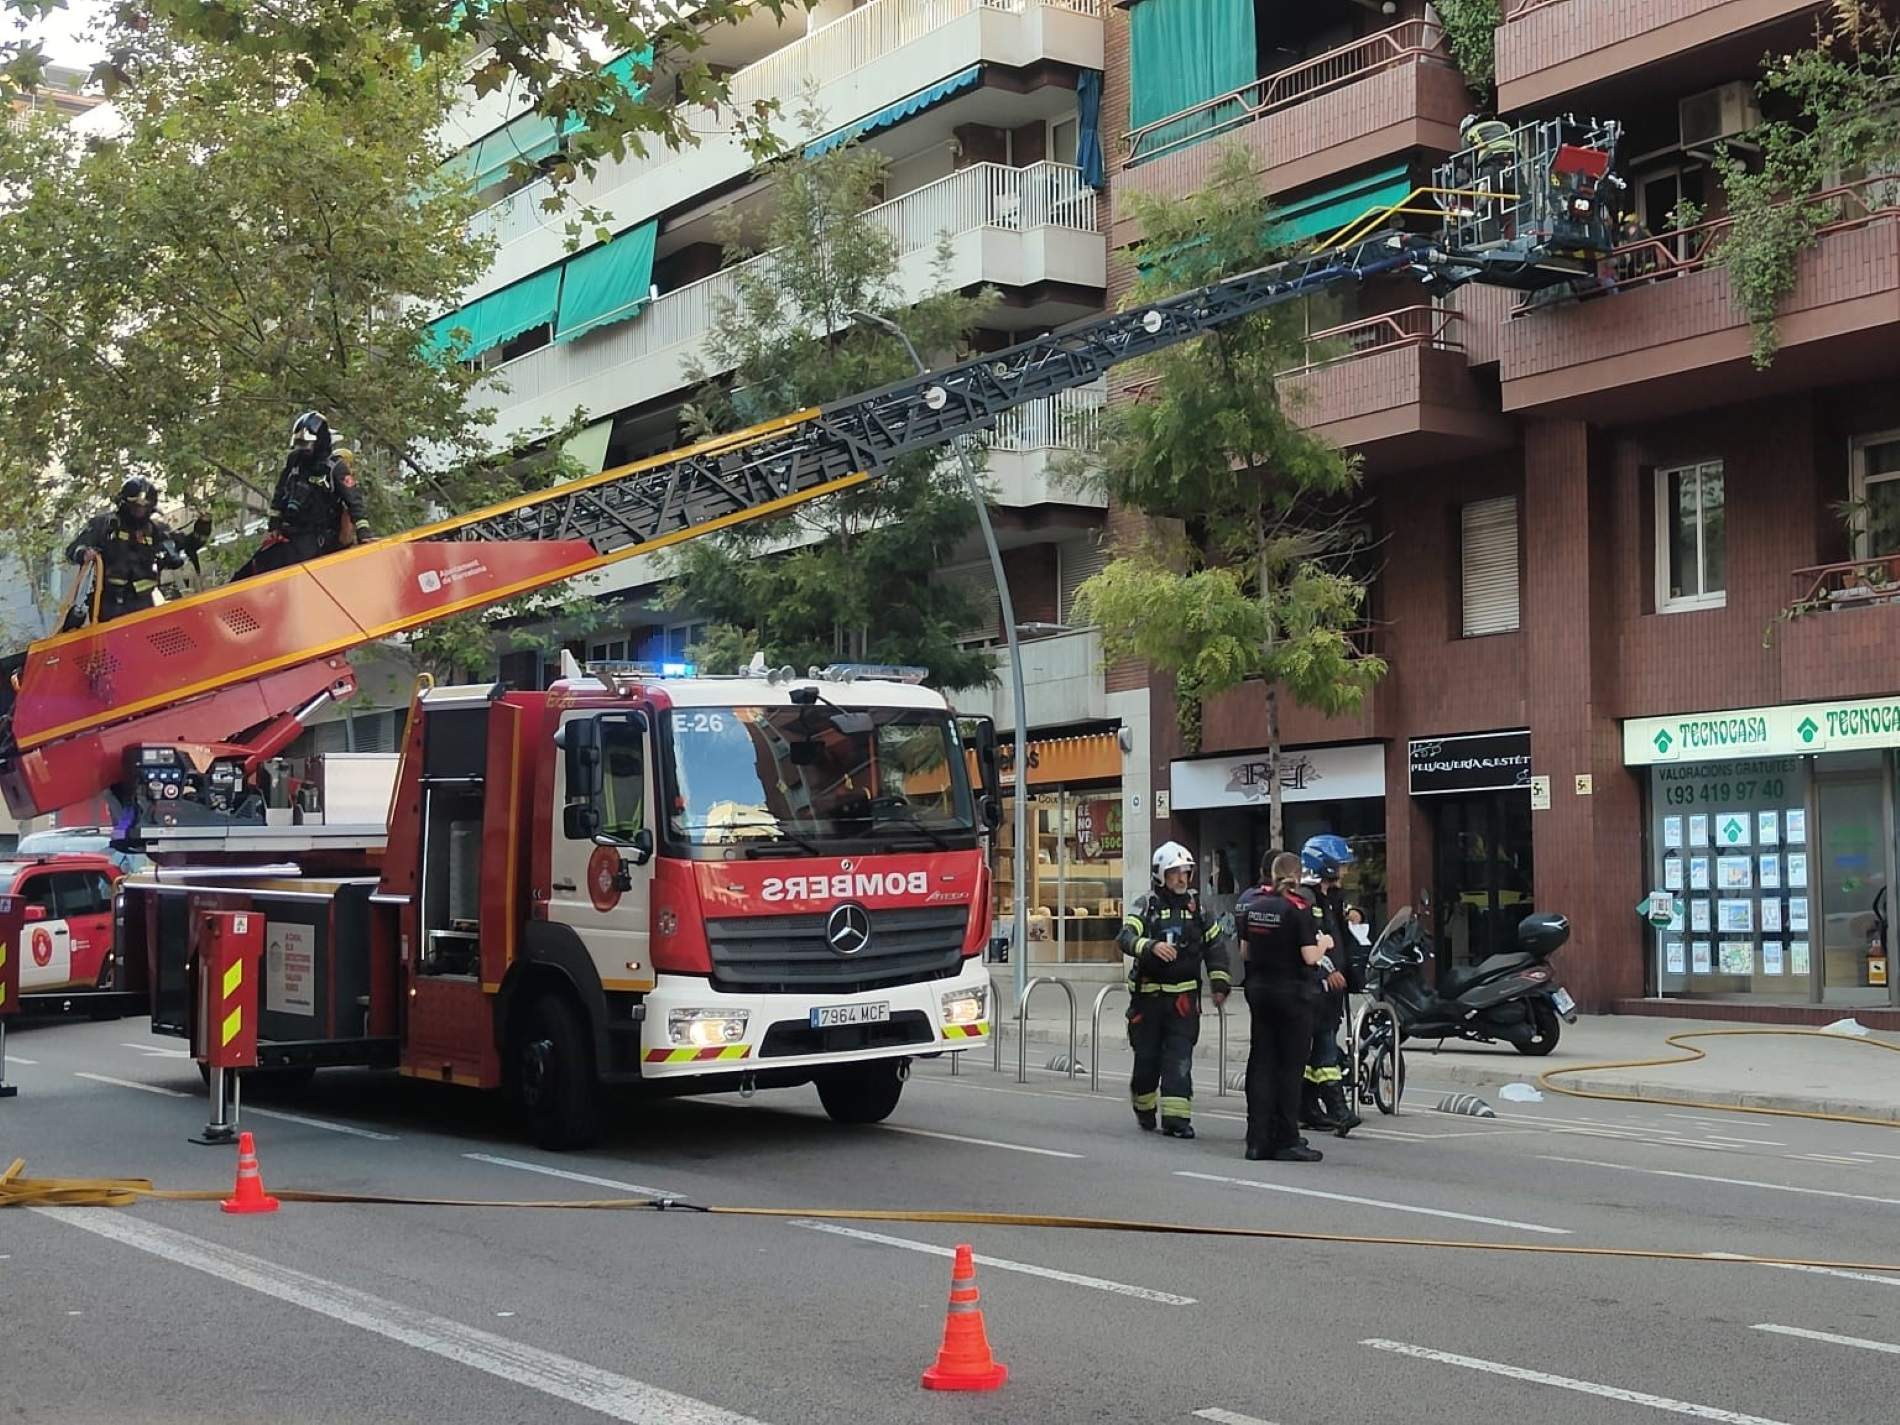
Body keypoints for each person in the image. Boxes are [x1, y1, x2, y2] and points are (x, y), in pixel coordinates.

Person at [1117, 840, 1231, 1139]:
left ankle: (1176, 1120)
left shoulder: (1198, 909)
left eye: (1186, 872)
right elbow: (1125, 937)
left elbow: (1215, 946)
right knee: (1147, 1062)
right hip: (1149, 1001)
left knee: (1179, 1060)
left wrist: (1219, 982)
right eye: (1175, 873)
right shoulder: (1147, 905)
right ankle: (1143, 1107)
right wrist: (1150, 946)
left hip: (1183, 1003)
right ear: (1160, 875)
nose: (1182, 879)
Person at [1237, 851, 1329, 1163]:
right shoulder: (1297, 908)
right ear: (1298, 876)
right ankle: (1287, 1138)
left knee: (1261, 1064)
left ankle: (1257, 1139)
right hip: (1292, 995)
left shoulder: (1255, 906)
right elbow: (1309, 957)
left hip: (1260, 993)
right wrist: (1325, 944)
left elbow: (1245, 952)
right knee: (1290, 1068)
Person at [233, 411, 371, 579]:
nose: (302, 449)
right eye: (299, 443)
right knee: (253, 568)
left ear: (319, 441)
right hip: (290, 533)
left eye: (306, 444)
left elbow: (354, 502)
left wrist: (364, 534)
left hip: (318, 539)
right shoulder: (294, 461)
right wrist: (274, 524)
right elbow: (280, 492)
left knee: (288, 570)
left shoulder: (335, 468)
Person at [63, 478, 209, 625]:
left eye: (144, 507)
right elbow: (73, 550)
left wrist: (203, 525)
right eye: (136, 506)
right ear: (124, 503)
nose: (139, 511)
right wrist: (84, 553)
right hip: (110, 605)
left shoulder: (156, 531)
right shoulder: (105, 526)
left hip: (144, 605)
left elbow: (189, 545)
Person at [1299, 834, 1364, 1138]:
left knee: (1317, 1052)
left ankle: (1308, 1108)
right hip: (1314, 987)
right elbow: (1310, 941)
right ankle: (1339, 1111)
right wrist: (1327, 971)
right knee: (1323, 1048)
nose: (1344, 870)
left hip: (1330, 991)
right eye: (1340, 865)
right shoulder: (1307, 899)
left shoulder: (1330, 898)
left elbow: (1340, 928)